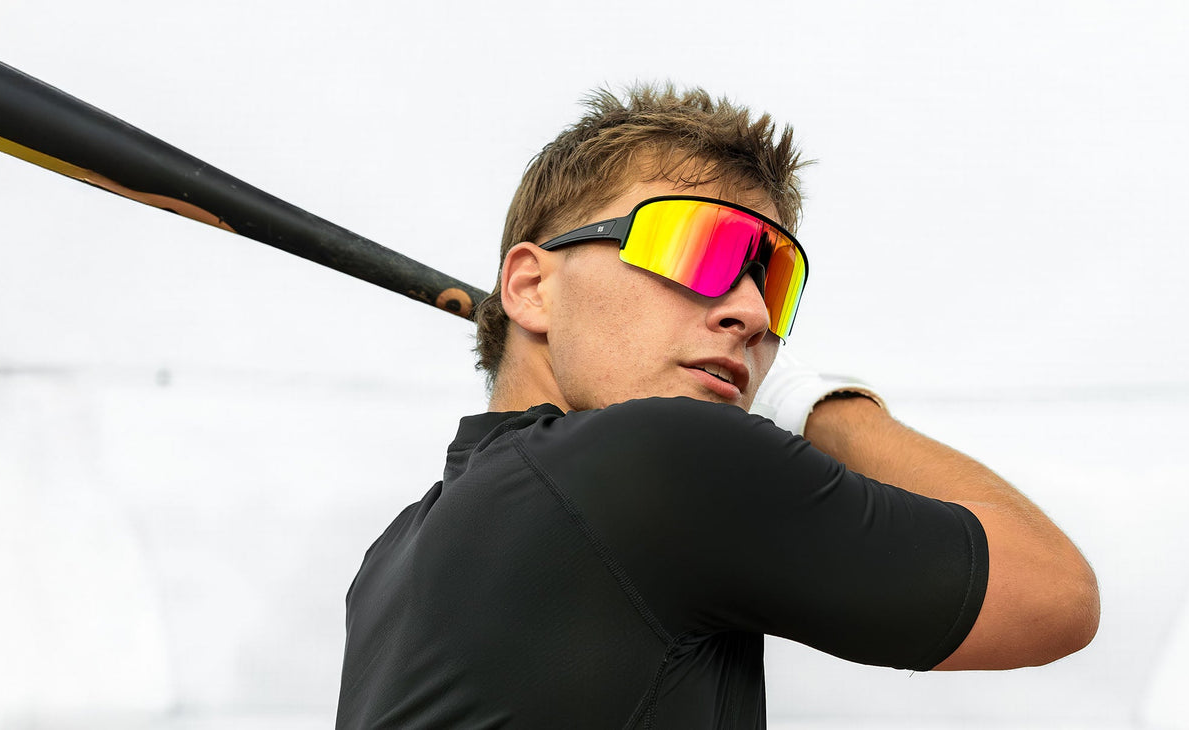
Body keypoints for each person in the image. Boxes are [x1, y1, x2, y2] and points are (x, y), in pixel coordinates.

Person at [336, 85, 1099, 729]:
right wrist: (813, 402)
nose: (753, 314)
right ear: (532, 288)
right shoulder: (656, 457)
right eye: (695, 249)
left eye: (772, 281)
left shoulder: (388, 562)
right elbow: (1055, 592)